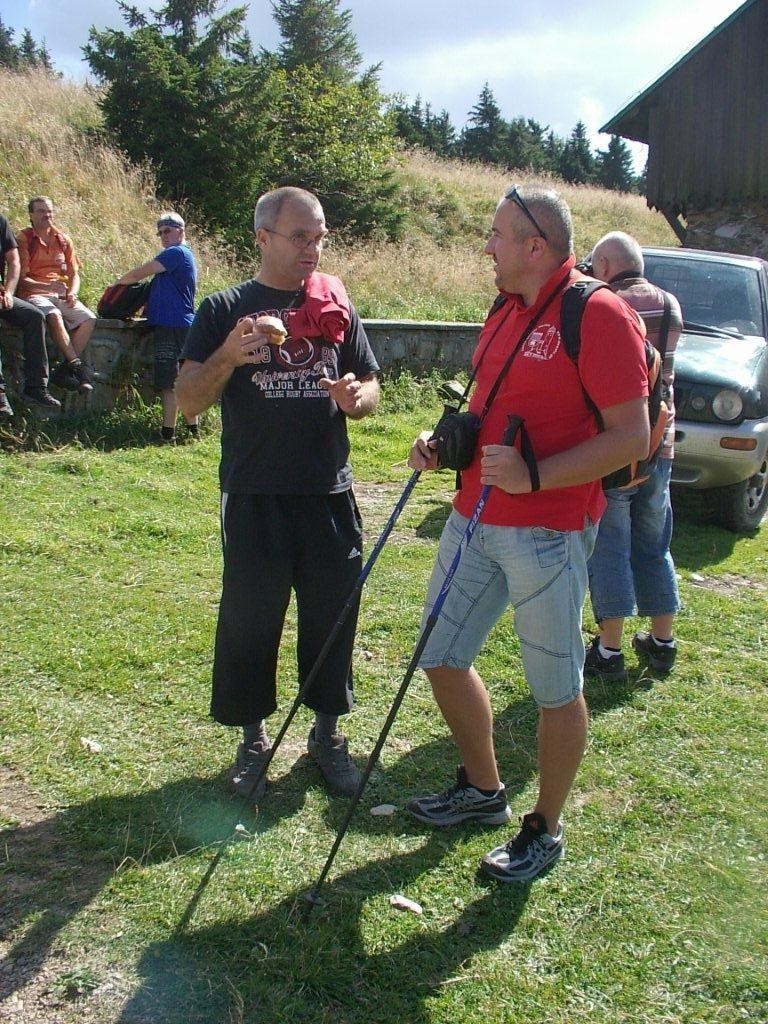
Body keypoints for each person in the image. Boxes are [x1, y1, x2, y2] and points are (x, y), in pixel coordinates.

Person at [406, 185, 649, 882]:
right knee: (440, 652)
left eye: (497, 234)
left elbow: (630, 437)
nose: (487, 245)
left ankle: (544, 828)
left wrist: (534, 477)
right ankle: (484, 792)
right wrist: (445, 440)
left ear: (535, 245)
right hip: (473, 517)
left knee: (553, 689)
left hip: (547, 531)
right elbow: (487, 405)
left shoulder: (599, 315)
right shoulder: (504, 307)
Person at [176, 186, 380, 799]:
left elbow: (370, 385)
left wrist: (356, 398)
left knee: (332, 617)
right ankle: (252, 740)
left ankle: (326, 734)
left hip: (327, 492)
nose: (312, 249)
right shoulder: (224, 309)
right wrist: (230, 357)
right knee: (250, 619)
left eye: (319, 237)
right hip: (256, 492)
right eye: (300, 237)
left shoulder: (335, 301)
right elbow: (187, 402)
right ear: (263, 237)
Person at [585, 231, 683, 678]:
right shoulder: (670, 304)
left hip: (622, 449)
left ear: (605, 264)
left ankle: (609, 651)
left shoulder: (607, 306)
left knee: (611, 546)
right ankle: (662, 641)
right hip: (662, 445)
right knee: (654, 542)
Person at [116, 212, 199, 445]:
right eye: (160, 232)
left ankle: (167, 435)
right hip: (183, 324)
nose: (163, 236)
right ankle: (193, 431)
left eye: (168, 231)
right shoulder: (185, 255)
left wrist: (115, 286)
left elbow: (138, 274)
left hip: (171, 324)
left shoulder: (175, 253)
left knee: (169, 382)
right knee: (185, 380)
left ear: (180, 231)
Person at [16, 196, 96, 394]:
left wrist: (73, 292)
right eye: (42, 211)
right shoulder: (24, 239)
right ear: (31, 215)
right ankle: (77, 368)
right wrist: (46, 285)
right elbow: (21, 279)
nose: (47, 215)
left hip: (60, 294)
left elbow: (74, 274)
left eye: (49, 211)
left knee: (88, 318)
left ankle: (64, 369)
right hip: (33, 293)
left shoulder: (62, 239)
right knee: (53, 314)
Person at [0, 211, 60, 417]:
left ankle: (36, 387)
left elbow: (14, 261)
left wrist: (8, 291)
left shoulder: (0, 222)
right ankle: (0, 393)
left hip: (1, 294)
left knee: (34, 316)